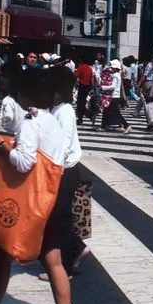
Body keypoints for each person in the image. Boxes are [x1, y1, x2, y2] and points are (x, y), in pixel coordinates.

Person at [0, 68, 70, 304]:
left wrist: (3, 146)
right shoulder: (52, 120)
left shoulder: (30, 121)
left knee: (4, 255)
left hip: (30, 200)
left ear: (26, 94)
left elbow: (24, 162)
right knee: (53, 260)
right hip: (52, 195)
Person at [42, 66, 91, 277]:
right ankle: (76, 250)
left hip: (64, 171)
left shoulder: (65, 112)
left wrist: (52, 174)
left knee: (60, 218)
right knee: (59, 217)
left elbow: (61, 145)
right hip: (62, 169)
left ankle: (68, 263)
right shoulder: (58, 109)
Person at [99, 59, 131, 133]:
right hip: (114, 96)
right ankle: (104, 126)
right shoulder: (117, 75)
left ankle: (127, 125)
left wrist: (103, 87)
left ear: (116, 68)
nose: (111, 68)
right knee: (106, 111)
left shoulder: (116, 75)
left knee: (115, 113)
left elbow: (113, 86)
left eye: (112, 67)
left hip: (114, 97)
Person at [73, 58, 94, 124]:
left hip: (82, 86)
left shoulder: (80, 67)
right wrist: (92, 88)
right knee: (82, 103)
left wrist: (75, 83)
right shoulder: (90, 68)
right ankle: (80, 119)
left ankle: (90, 115)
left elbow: (75, 76)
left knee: (80, 104)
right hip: (88, 87)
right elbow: (92, 79)